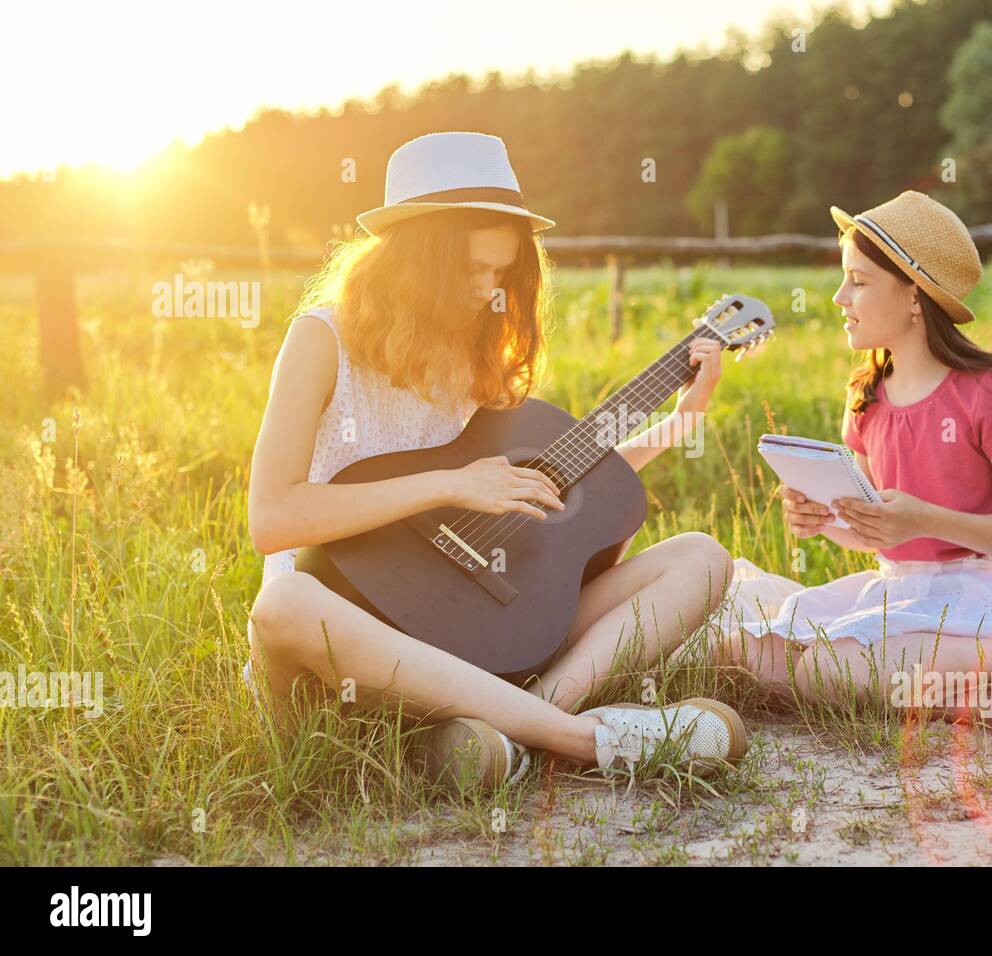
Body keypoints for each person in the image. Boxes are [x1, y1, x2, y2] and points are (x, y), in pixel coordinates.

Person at [243, 132, 746, 788]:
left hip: (467, 627)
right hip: (345, 637)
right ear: (417, 258)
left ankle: (510, 732)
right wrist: (449, 485)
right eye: (474, 270)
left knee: (702, 558)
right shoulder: (321, 338)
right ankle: (584, 739)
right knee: (283, 604)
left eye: (501, 273)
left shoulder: (474, 348)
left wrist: (678, 425)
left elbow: (537, 487)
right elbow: (272, 518)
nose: (489, 290)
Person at [715, 191, 992, 731]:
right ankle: (987, 700)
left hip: (976, 599)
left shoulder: (991, 391)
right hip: (901, 591)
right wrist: (823, 520)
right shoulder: (867, 396)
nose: (838, 297)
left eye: (858, 280)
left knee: (826, 672)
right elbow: (881, 534)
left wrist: (926, 518)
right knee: (752, 654)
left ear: (914, 296)